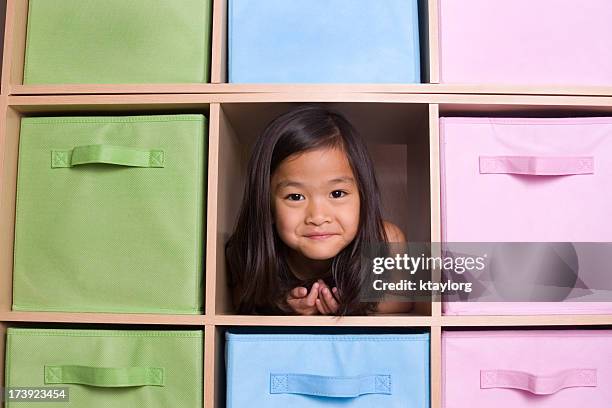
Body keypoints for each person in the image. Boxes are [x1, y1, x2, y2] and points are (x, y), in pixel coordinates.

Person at [226, 105, 412, 315]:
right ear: (266, 204)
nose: (318, 217)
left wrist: (351, 306)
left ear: (363, 195)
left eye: (337, 194)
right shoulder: (250, 247)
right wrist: (283, 306)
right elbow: (240, 300)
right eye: (295, 197)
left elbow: (402, 301)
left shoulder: (385, 238)